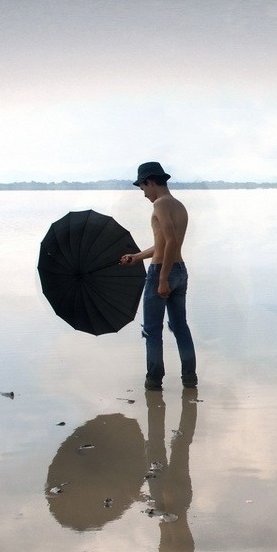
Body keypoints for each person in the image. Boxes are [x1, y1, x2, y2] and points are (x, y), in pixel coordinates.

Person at [117, 161, 195, 392]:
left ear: (150, 181)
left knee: (152, 329)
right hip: (180, 270)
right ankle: (190, 378)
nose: (144, 194)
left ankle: (154, 381)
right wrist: (137, 256)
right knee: (180, 326)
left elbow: (170, 242)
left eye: (142, 188)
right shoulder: (179, 205)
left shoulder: (160, 204)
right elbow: (164, 244)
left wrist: (162, 278)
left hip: (163, 271)